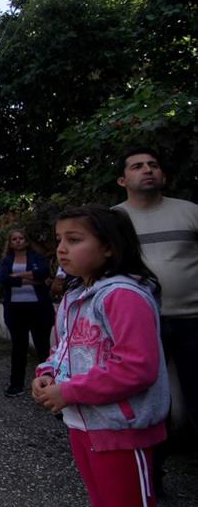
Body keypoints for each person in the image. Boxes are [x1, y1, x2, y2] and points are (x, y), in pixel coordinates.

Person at [33, 205, 168, 507]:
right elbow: (62, 348)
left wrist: (68, 391)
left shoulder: (123, 295)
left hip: (122, 429)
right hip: (82, 424)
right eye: (59, 240)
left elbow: (137, 368)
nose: (62, 249)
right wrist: (47, 373)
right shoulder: (73, 297)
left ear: (109, 246)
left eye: (74, 240)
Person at [113, 147, 198, 492]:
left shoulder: (190, 213)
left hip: (193, 320)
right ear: (123, 179)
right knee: (148, 404)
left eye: (153, 165)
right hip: (142, 326)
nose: (147, 170)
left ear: (163, 174)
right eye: (137, 166)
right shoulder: (113, 221)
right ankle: (152, 477)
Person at [0, 229, 53, 397]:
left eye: (21, 238)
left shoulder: (37, 257)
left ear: (26, 241)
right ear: (10, 242)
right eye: (14, 239)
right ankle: (16, 385)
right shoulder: (7, 260)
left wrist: (18, 275)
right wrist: (31, 279)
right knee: (18, 348)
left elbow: (44, 273)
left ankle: (49, 386)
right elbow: (4, 279)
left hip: (38, 308)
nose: (18, 241)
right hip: (16, 310)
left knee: (43, 348)